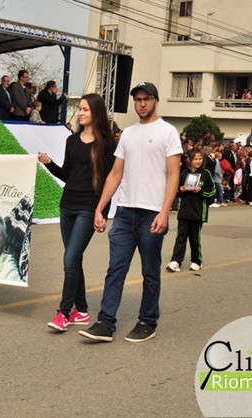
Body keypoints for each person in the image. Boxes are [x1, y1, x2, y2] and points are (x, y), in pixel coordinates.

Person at [79, 82, 182, 343]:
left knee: (150, 272)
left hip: (152, 214)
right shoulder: (127, 134)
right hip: (125, 212)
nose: (142, 103)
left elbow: (173, 175)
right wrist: (100, 207)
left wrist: (164, 212)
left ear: (155, 100)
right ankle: (105, 323)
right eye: (138, 99)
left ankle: (147, 321)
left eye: (146, 98)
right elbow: (116, 173)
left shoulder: (168, 132)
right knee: (115, 269)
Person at [38, 93, 116, 332]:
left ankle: (64, 312)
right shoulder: (71, 140)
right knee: (74, 258)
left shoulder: (107, 144)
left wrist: (102, 211)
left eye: (85, 109)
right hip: (67, 205)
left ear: (96, 113)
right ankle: (81, 311)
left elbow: (110, 180)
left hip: (88, 208)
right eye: (79, 109)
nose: (80, 113)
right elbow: (67, 175)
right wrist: (49, 163)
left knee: (70, 259)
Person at [165, 148, 216, 273]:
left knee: (194, 238)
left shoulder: (206, 173)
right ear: (189, 160)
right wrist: (181, 189)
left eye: (200, 159)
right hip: (184, 210)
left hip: (198, 211)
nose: (198, 161)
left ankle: (197, 261)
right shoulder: (184, 174)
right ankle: (176, 261)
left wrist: (201, 190)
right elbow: (176, 189)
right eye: (195, 159)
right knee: (181, 237)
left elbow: (213, 191)